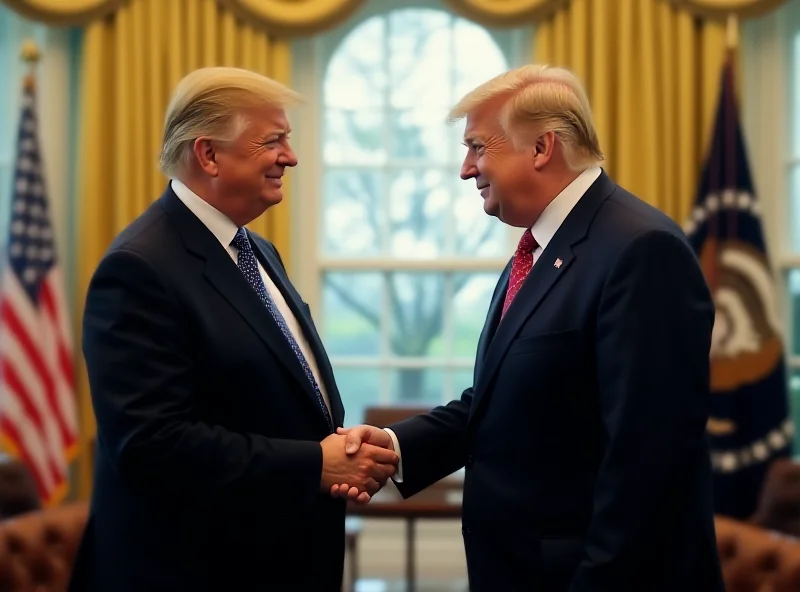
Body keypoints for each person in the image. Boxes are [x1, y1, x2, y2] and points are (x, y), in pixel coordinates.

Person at [332, 65, 724, 591]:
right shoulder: (541, 249)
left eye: (477, 146)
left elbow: (647, 462)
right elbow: (498, 402)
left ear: (542, 147)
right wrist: (393, 447)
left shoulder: (639, 249)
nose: (466, 169)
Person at [70, 67, 398, 592]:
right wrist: (316, 464)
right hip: (190, 570)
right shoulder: (139, 268)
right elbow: (151, 445)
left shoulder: (255, 250)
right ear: (208, 155)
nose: (290, 157)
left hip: (278, 556)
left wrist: (339, 456)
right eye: (273, 141)